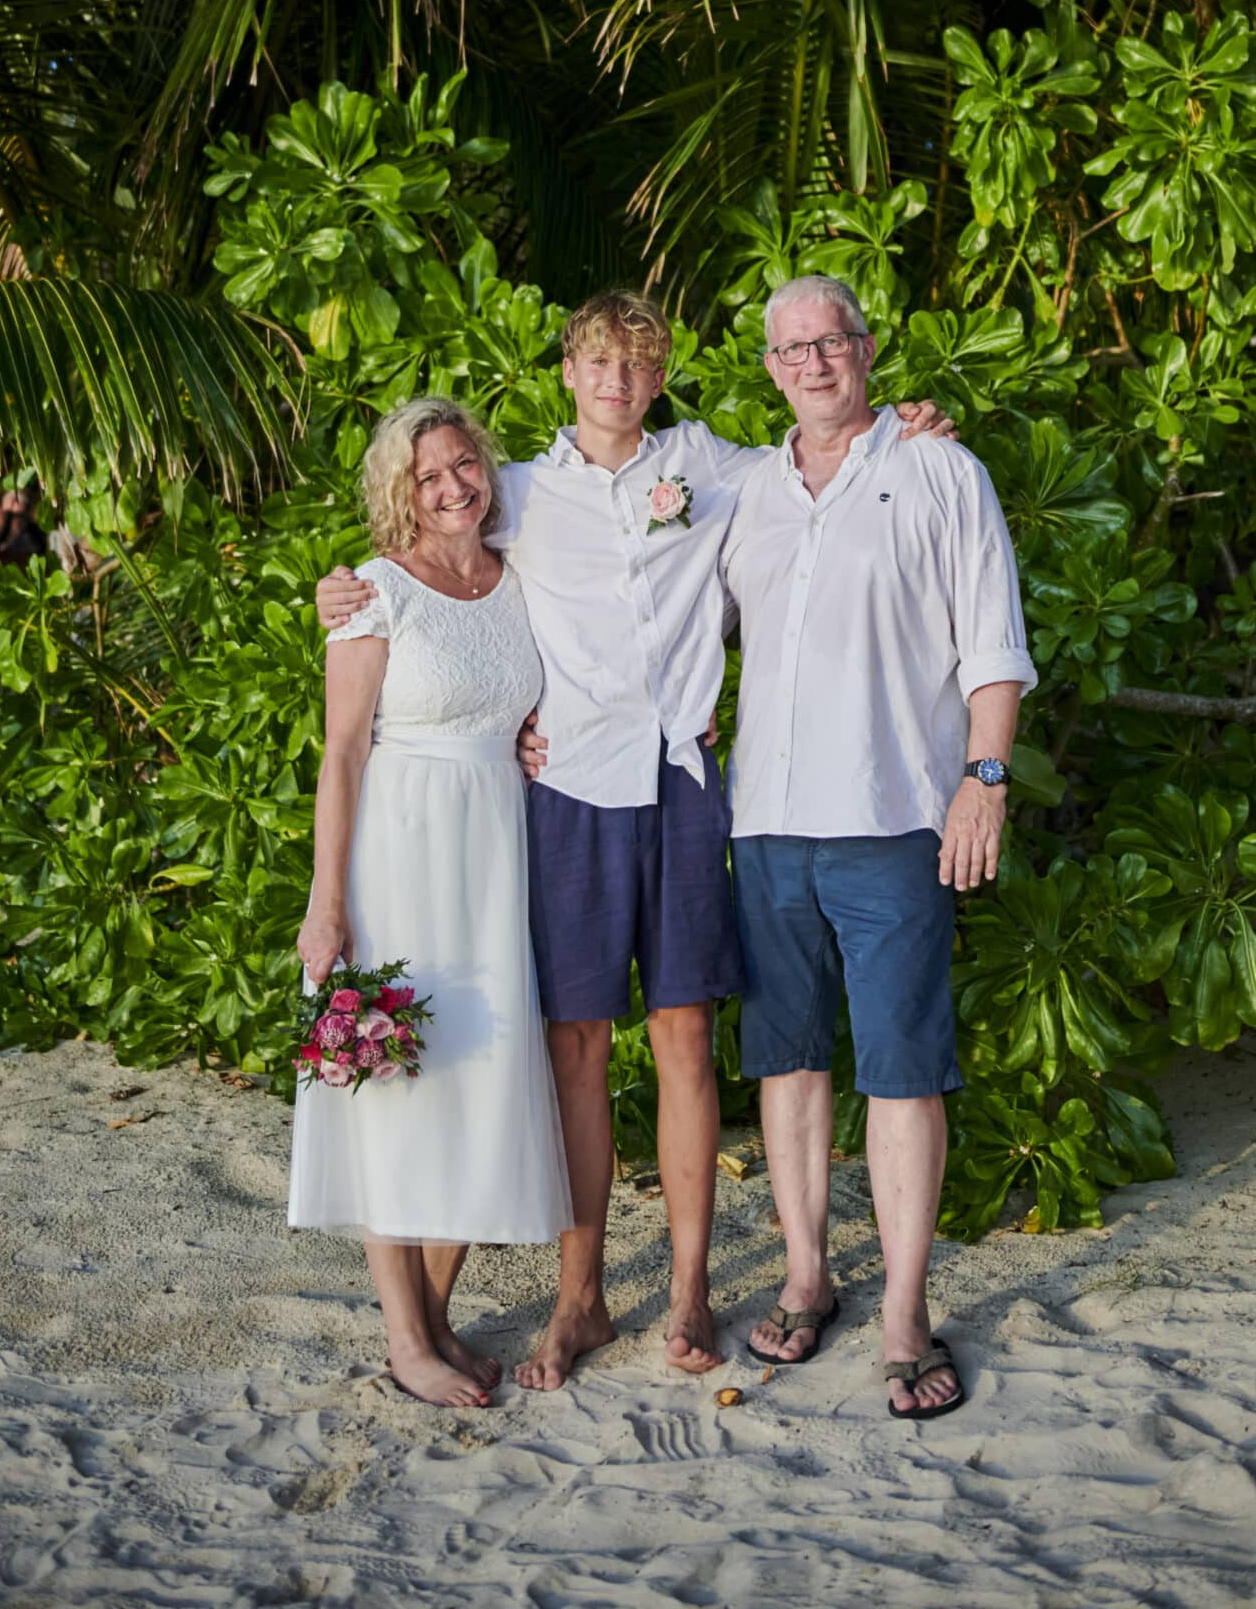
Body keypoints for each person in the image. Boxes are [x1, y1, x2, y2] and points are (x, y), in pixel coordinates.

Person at [315, 290, 954, 1391]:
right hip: (567, 788)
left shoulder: (715, 463)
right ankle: (583, 1298)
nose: (618, 377)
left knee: (684, 1039)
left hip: (686, 784)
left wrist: (911, 426)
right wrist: (345, 586)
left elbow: (825, 456)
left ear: (661, 376)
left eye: (641, 360)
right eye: (599, 359)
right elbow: (429, 553)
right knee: (575, 1050)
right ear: (567, 369)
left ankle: (695, 1288)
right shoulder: (512, 491)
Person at [723, 274, 1036, 1421]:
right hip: (763, 824)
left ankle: (904, 1311)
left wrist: (983, 779)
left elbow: (992, 642)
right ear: (768, 367)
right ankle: (810, 1275)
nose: (812, 361)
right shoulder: (741, 487)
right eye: (790, 347)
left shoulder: (940, 467)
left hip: (897, 819)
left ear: (867, 347)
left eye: (831, 340)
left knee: (903, 1068)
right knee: (790, 1061)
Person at [289, 396, 571, 1409]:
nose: (452, 485)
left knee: (480, 1080)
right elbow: (342, 751)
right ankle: (406, 1339)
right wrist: (328, 905)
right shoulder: (371, 591)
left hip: (494, 850)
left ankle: (439, 1315)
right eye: (428, 475)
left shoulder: (513, 576)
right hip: (399, 853)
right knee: (396, 1085)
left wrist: (534, 741)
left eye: (464, 464)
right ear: (396, 491)